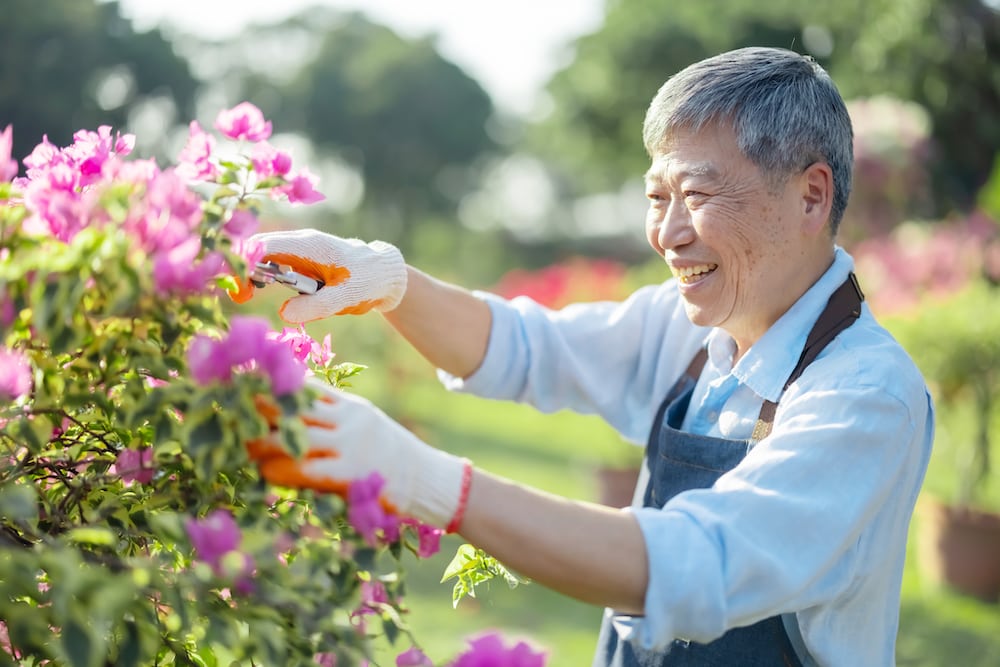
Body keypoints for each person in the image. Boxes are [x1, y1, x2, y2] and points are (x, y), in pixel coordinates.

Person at [239, 47, 934, 666]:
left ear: (811, 196)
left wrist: (433, 484)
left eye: (695, 195)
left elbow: (699, 565)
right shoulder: (692, 328)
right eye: (657, 197)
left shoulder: (866, 393)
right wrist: (388, 280)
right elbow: (525, 347)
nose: (667, 234)